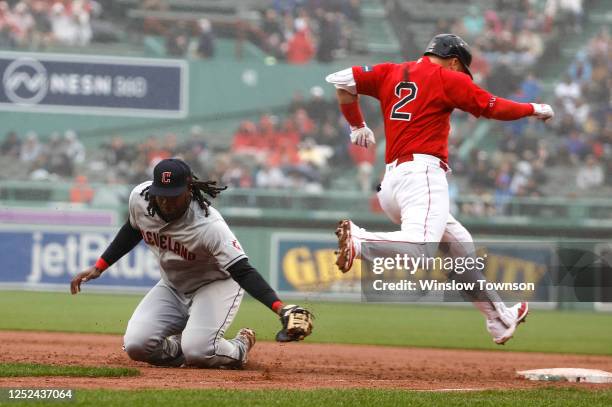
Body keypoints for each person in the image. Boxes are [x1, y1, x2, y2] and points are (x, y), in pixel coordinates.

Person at [325, 34, 554, 345]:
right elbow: (493, 107)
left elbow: (342, 82)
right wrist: (533, 108)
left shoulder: (390, 71)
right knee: (420, 251)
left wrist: (356, 125)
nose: (462, 76)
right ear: (455, 60)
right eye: (462, 69)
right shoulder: (446, 77)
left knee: (460, 245)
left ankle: (500, 318)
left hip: (392, 184)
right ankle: (359, 241)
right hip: (422, 176)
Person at [70, 158, 312, 368]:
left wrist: (280, 308)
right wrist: (100, 266)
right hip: (174, 286)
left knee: (200, 351)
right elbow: (133, 229)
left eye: (173, 196)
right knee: (137, 346)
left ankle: (240, 347)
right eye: (161, 195)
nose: (166, 202)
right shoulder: (140, 199)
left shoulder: (209, 225)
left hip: (215, 285)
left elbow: (242, 270)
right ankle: (179, 348)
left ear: (189, 189)